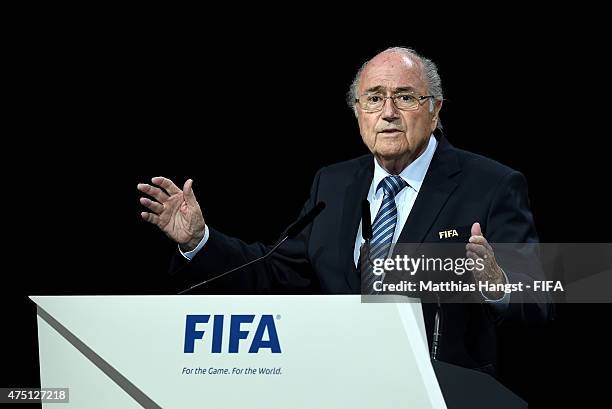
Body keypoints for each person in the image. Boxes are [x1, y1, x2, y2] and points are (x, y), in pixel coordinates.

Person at [137, 47, 548, 375]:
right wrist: (199, 241)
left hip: (446, 393)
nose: (388, 112)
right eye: (373, 99)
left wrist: (499, 284)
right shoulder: (332, 184)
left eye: (404, 97)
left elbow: (539, 308)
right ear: (357, 111)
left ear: (435, 109)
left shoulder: (491, 185)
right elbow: (275, 272)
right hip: (340, 385)